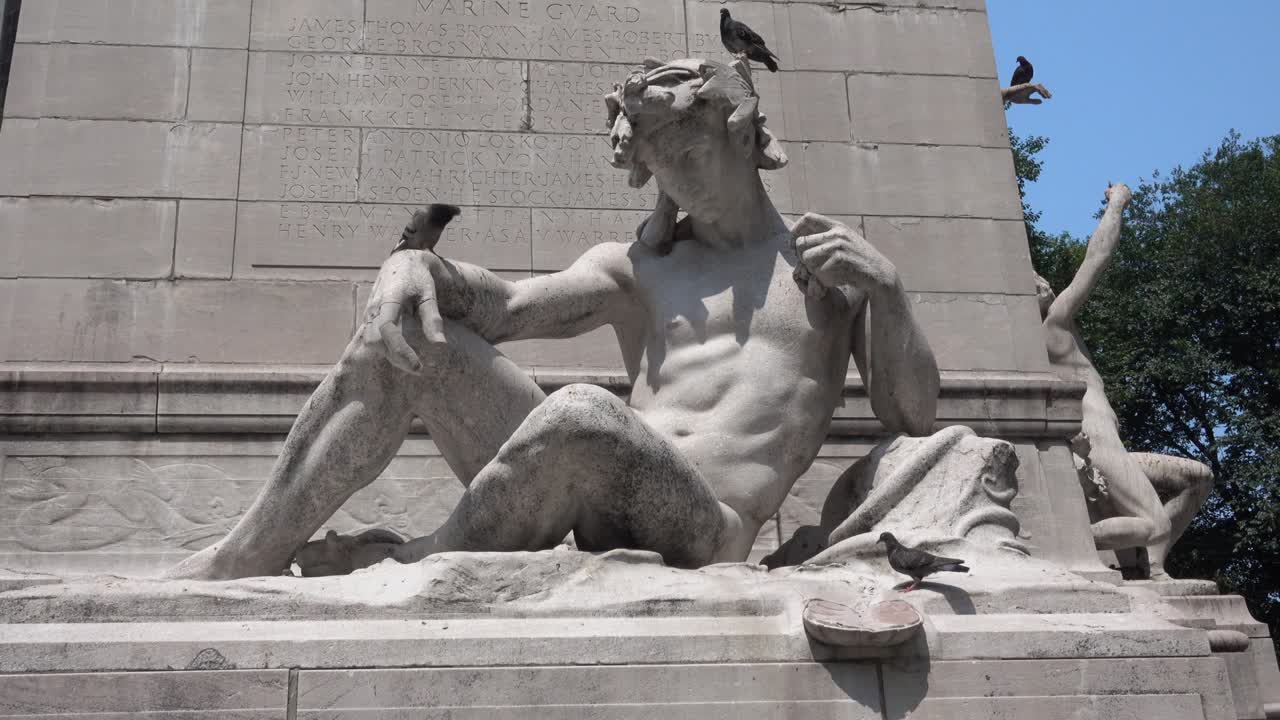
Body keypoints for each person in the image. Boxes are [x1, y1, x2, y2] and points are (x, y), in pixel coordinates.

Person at [166, 59, 940, 580]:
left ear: (739, 131)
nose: (670, 174)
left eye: (687, 149)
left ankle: (405, 562)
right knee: (401, 335)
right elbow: (501, 309)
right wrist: (415, 267)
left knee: (582, 412)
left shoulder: (824, 266)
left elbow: (911, 415)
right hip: (591, 482)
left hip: (705, 526)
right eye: (655, 157)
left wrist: (892, 293)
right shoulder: (642, 268)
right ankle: (237, 561)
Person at [1038, 184, 1213, 580]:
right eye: (1035, 284)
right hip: (1100, 446)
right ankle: (1058, 544)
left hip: (1110, 446)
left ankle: (1151, 566)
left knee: (1198, 478)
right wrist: (1117, 205)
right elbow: (1095, 261)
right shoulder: (1052, 327)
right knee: (1155, 524)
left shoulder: (1056, 333)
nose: (1045, 284)